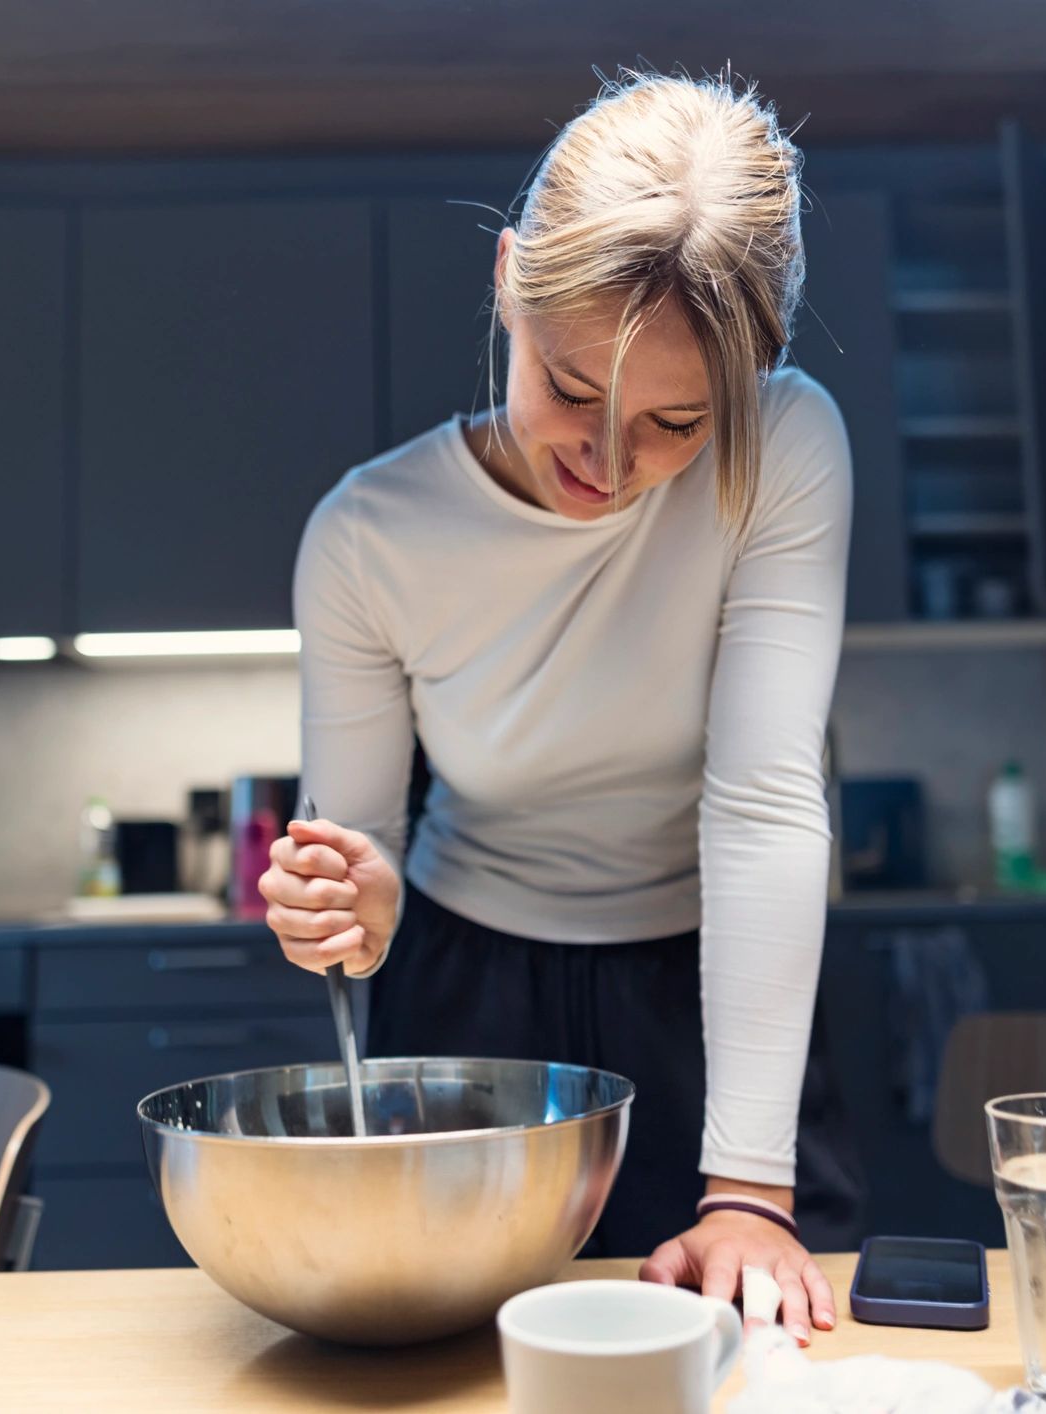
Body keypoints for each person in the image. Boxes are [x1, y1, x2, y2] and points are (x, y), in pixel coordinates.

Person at [259, 70, 856, 1346]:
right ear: (507, 282)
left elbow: (759, 798)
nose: (607, 459)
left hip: (720, 980)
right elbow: (352, 882)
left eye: (677, 420)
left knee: (764, 1350)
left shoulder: (787, 447)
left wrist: (747, 1187)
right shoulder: (366, 538)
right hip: (470, 993)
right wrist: (342, 912)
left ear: (751, 380)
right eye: (570, 390)